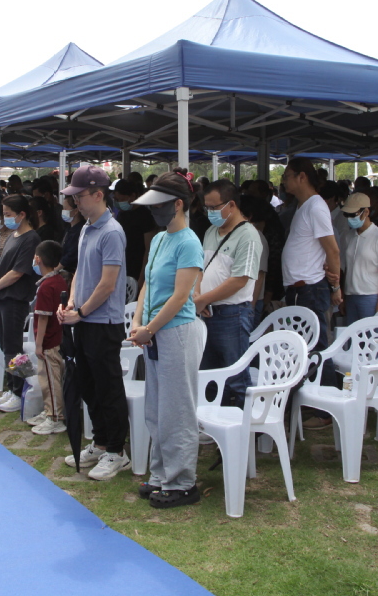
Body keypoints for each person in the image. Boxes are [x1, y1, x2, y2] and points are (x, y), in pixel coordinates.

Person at [128, 173, 202, 507]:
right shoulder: (159, 240)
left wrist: (150, 328)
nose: (154, 211)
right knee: (156, 407)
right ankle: (160, 474)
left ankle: (182, 481)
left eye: (160, 205)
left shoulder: (189, 242)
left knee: (177, 409)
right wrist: (137, 320)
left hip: (175, 331)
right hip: (154, 332)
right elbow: (147, 284)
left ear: (178, 204)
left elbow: (180, 296)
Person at [57, 166, 130, 481]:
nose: (76, 203)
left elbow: (108, 284)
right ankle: (100, 442)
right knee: (88, 384)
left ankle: (117, 450)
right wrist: (73, 302)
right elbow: (79, 273)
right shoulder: (87, 227)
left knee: (108, 387)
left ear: (98, 195)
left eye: (80, 197)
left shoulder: (112, 231)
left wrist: (81, 311)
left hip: (103, 322)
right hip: (85, 319)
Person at [194, 180, 262, 407]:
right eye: (207, 208)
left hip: (232, 315)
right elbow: (200, 268)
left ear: (231, 204)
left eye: (214, 208)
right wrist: (197, 294)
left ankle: (245, 430)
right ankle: (213, 425)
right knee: (208, 374)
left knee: (236, 377)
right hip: (206, 312)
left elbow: (240, 280)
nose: (210, 212)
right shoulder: (211, 230)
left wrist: (204, 298)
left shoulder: (248, 236)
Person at [0, 194, 41, 412]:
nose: (5, 218)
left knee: (14, 348)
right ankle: (13, 387)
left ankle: (21, 389)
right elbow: (0, 266)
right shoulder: (13, 235)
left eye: (8, 214)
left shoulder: (31, 239)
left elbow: (17, 273)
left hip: (15, 299)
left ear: (22, 214)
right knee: (6, 345)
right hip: (2, 297)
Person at [280, 158, 342, 347]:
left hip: (310, 288)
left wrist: (336, 287)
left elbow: (332, 249)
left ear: (302, 177)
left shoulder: (316, 207)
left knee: (316, 345)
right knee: (303, 345)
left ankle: (326, 378)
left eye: (286, 176)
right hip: (300, 288)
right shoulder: (303, 206)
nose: (283, 181)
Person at [27, 239, 67, 436]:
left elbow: (42, 317)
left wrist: (39, 344)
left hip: (50, 342)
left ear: (38, 259)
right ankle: (49, 411)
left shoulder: (47, 286)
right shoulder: (59, 281)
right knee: (50, 378)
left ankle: (55, 417)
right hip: (57, 340)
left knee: (50, 379)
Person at [338, 192, 378, 324]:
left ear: (366, 212)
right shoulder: (348, 236)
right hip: (350, 296)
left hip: (370, 296)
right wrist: (343, 297)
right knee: (352, 337)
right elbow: (345, 269)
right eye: (347, 215)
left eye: (353, 214)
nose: (349, 218)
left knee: (371, 337)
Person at [114, 179, 157, 284]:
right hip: (122, 268)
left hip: (137, 270)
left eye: (121, 199)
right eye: (116, 199)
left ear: (132, 196)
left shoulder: (145, 217)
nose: (118, 203)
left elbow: (149, 250)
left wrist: (142, 278)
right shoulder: (122, 214)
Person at [59, 193, 84, 275]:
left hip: (72, 272)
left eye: (65, 208)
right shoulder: (69, 227)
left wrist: (56, 269)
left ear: (76, 210)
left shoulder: (79, 230)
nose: (63, 211)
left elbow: (71, 254)